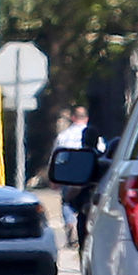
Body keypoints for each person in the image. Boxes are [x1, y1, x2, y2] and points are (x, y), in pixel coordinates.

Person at [51, 106, 101, 248]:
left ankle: (70, 223)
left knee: (66, 202)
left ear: (73, 117)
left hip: (70, 175)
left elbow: (57, 156)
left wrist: (55, 177)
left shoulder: (64, 135)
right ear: (86, 118)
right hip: (95, 191)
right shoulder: (100, 147)